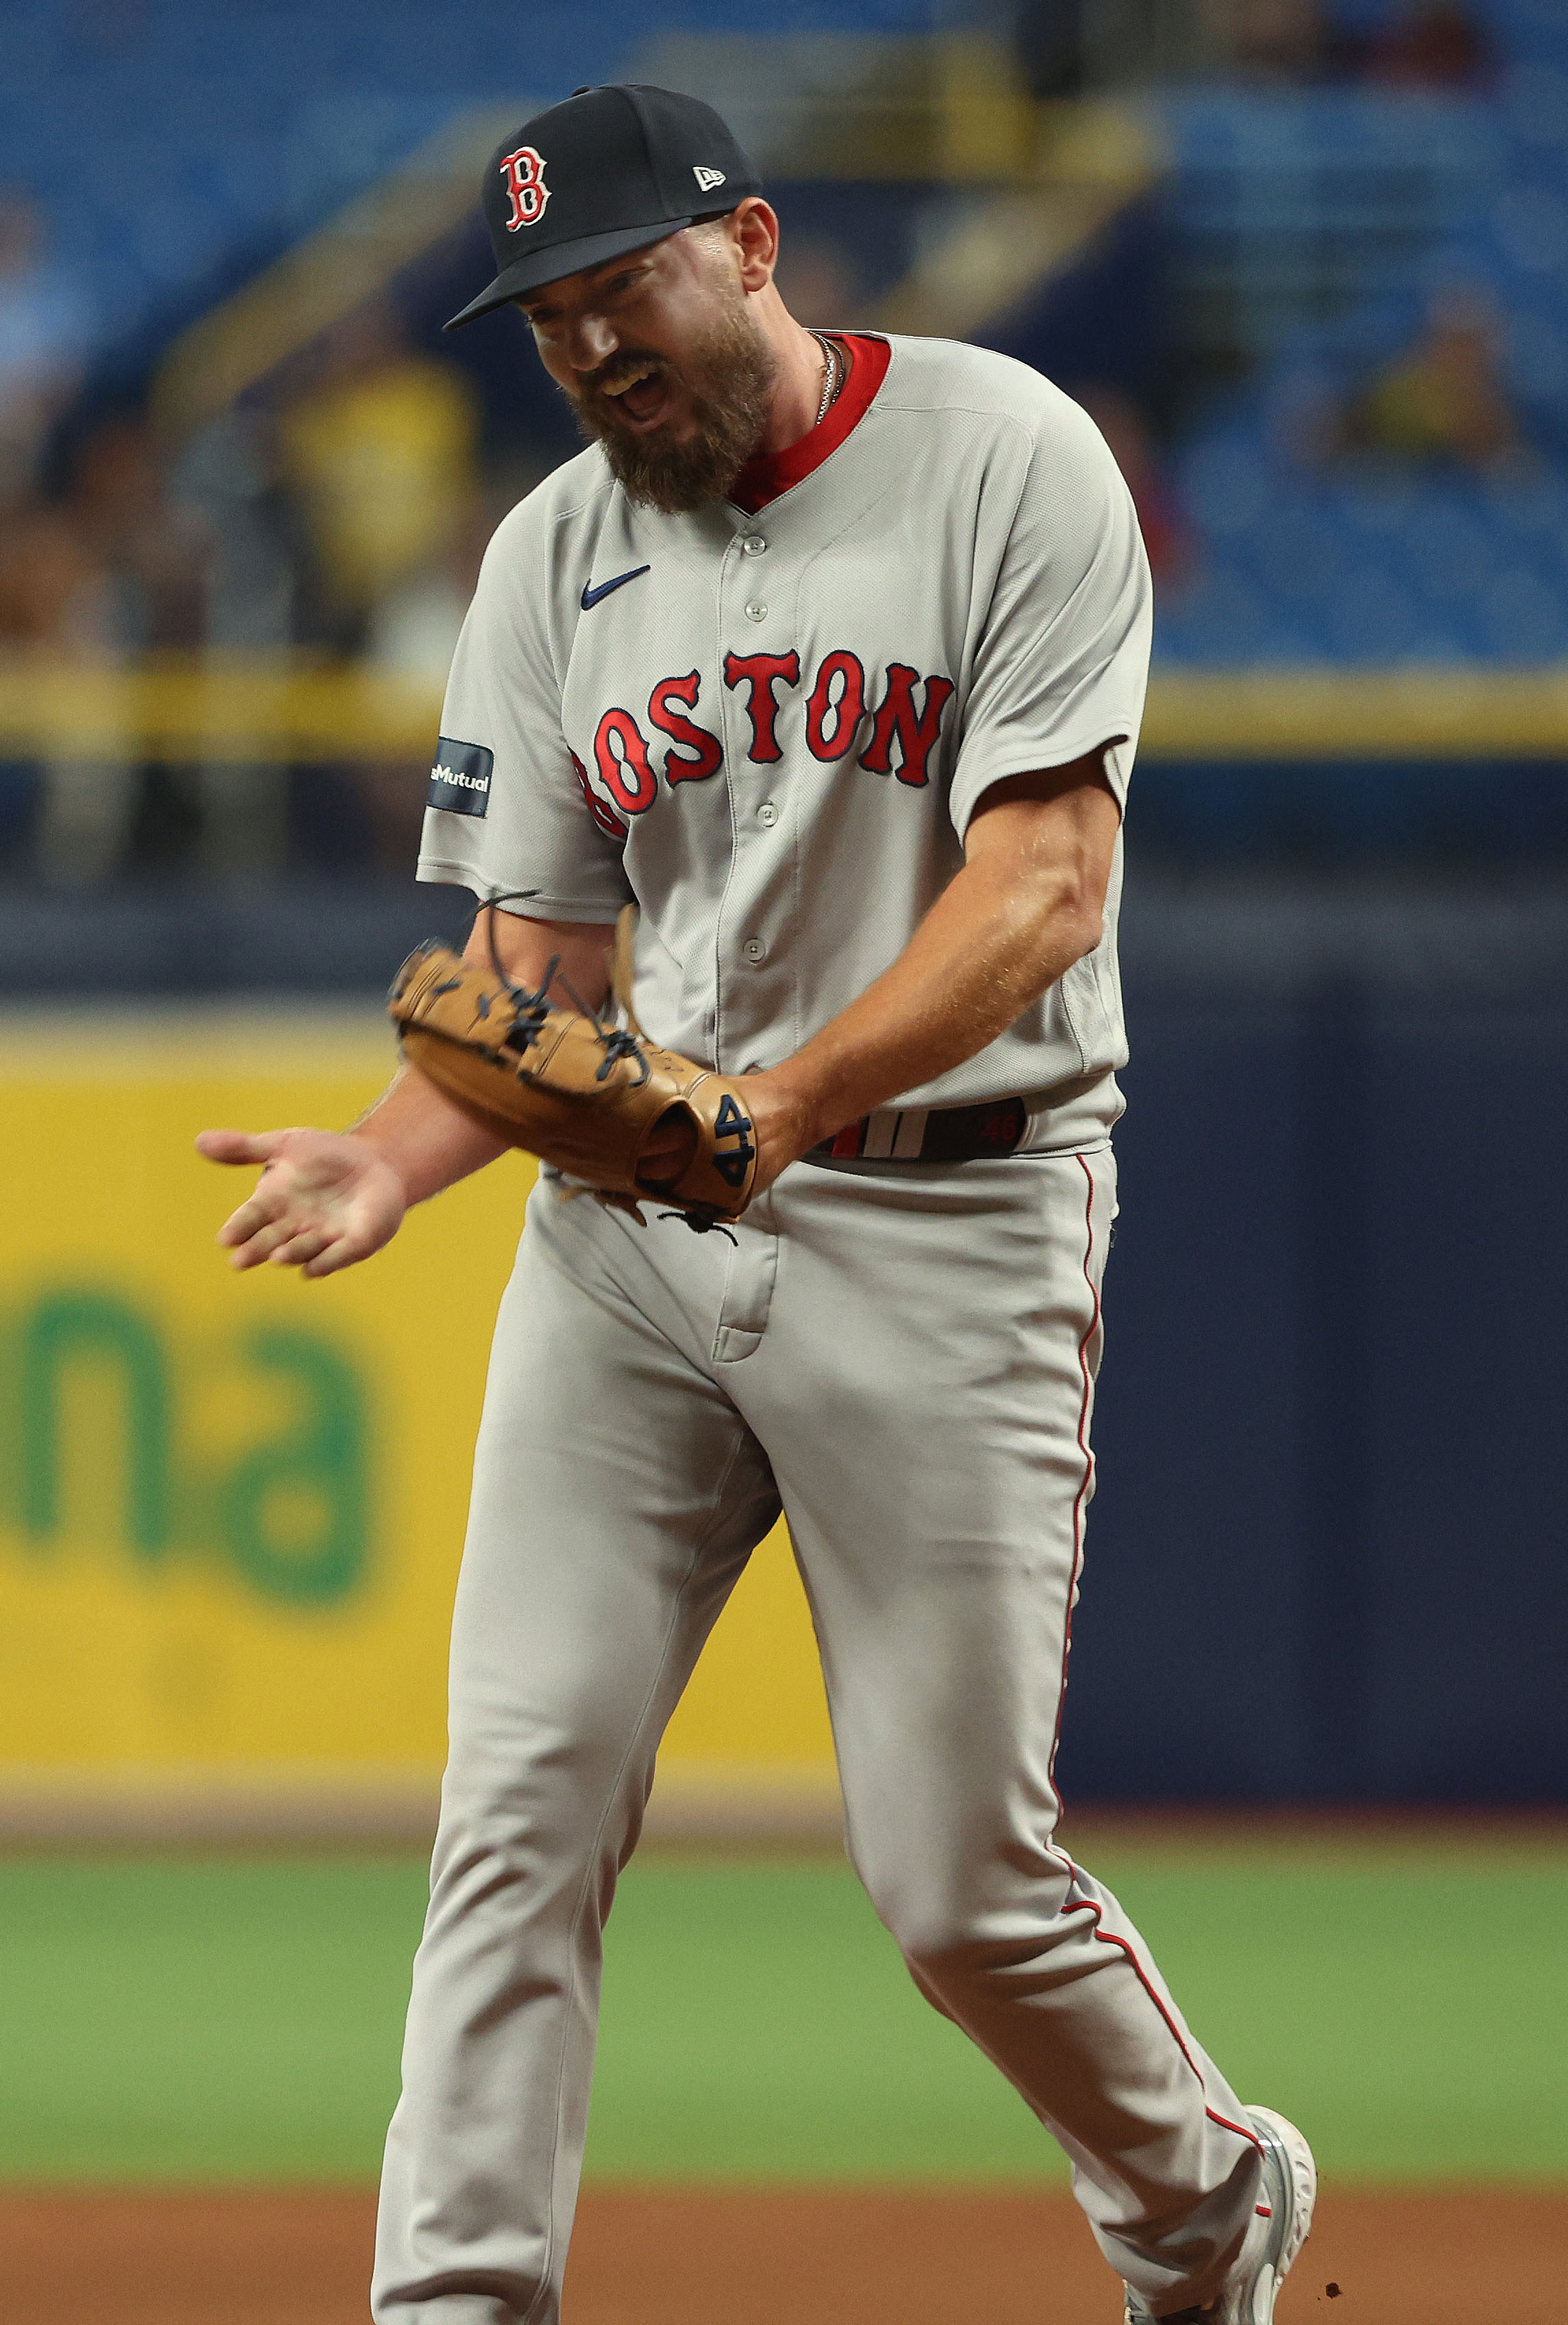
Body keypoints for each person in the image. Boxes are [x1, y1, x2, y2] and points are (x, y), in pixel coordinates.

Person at [198, 84, 1314, 2325]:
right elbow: (543, 991)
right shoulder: (545, 562)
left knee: (954, 1891)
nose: (595, 352)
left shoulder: (1007, 455)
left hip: (957, 1221)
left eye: (625, 293)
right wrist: (396, 1152)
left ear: (754, 246)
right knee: (516, 1809)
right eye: (551, 324)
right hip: (631, 1244)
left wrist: (780, 1106)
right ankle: (456, 2304)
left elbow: (1045, 886)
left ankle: (1200, 2197)